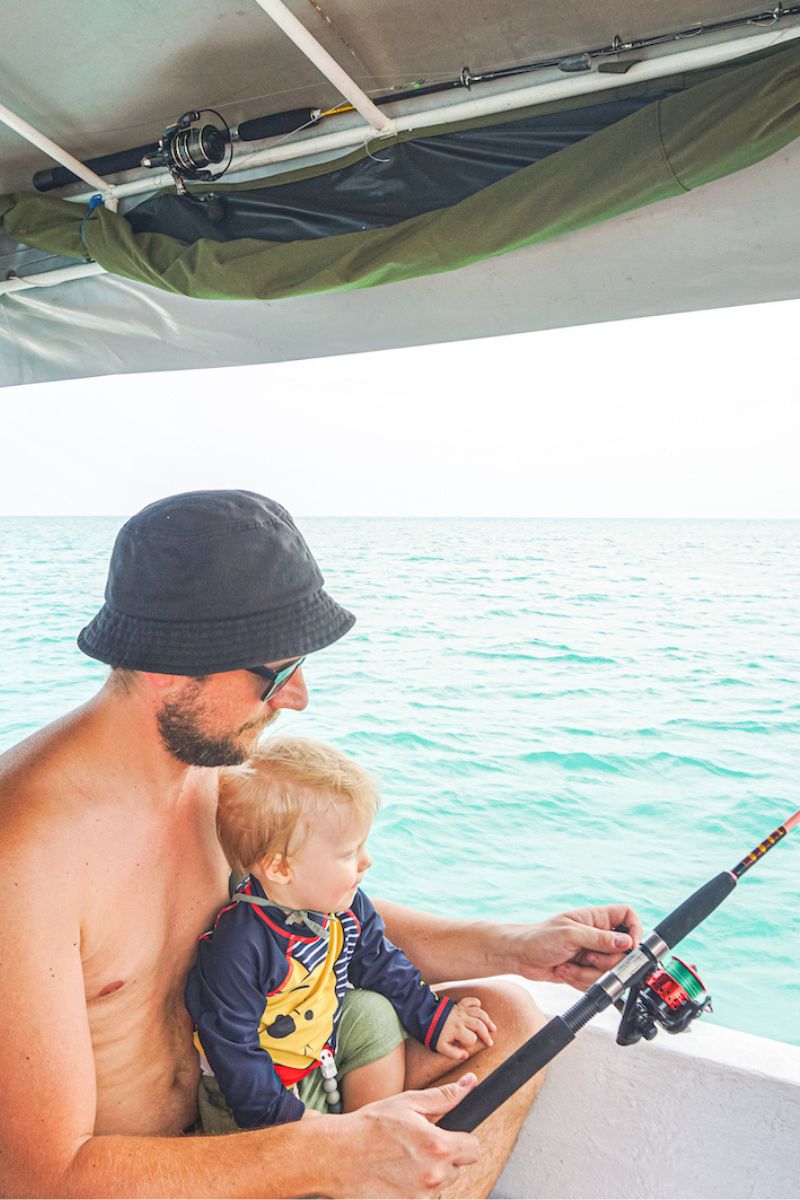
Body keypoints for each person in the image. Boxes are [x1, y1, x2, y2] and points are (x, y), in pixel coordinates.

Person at [0, 488, 642, 1199]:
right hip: (132, 1178)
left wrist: (515, 947)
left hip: (246, 1121)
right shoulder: (25, 851)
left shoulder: (215, 776)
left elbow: (318, 916)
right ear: (167, 666)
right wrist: (325, 1153)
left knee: (512, 1024)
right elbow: (38, 1176)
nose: (298, 696)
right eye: (275, 674)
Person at [187, 736, 497, 1132]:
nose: (367, 861)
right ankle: (346, 1148)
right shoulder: (239, 945)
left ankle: (369, 1135)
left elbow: (381, 962)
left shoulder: (344, 907)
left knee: (371, 1011)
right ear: (281, 868)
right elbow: (233, 1049)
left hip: (317, 1055)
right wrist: (294, 1121)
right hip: (253, 1106)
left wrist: (432, 1017)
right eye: (350, 853)